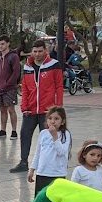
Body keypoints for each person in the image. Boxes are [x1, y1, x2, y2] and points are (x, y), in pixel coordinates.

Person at [10, 40, 64, 173]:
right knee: (25, 134)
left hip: (48, 111)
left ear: (46, 51)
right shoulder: (27, 66)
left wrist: (57, 108)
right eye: (35, 51)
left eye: (40, 51)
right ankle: (23, 162)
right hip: (31, 109)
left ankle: (47, 164)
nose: (37, 54)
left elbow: (59, 86)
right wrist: (25, 107)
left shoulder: (54, 65)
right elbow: (26, 89)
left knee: (47, 138)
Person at [27, 106, 72, 198]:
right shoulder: (43, 133)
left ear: (62, 121)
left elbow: (61, 152)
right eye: (50, 118)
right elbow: (38, 153)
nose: (52, 121)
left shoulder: (65, 134)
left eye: (56, 119)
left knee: (55, 200)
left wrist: (55, 136)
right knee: (41, 199)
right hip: (42, 172)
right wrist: (32, 169)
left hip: (57, 173)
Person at [0, 35, 21, 139]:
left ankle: (14, 131)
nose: (0, 46)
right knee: (2, 110)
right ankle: (3, 130)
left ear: (8, 43)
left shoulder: (13, 57)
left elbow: (16, 72)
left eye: (2, 44)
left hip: (9, 88)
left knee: (11, 109)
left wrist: (8, 83)